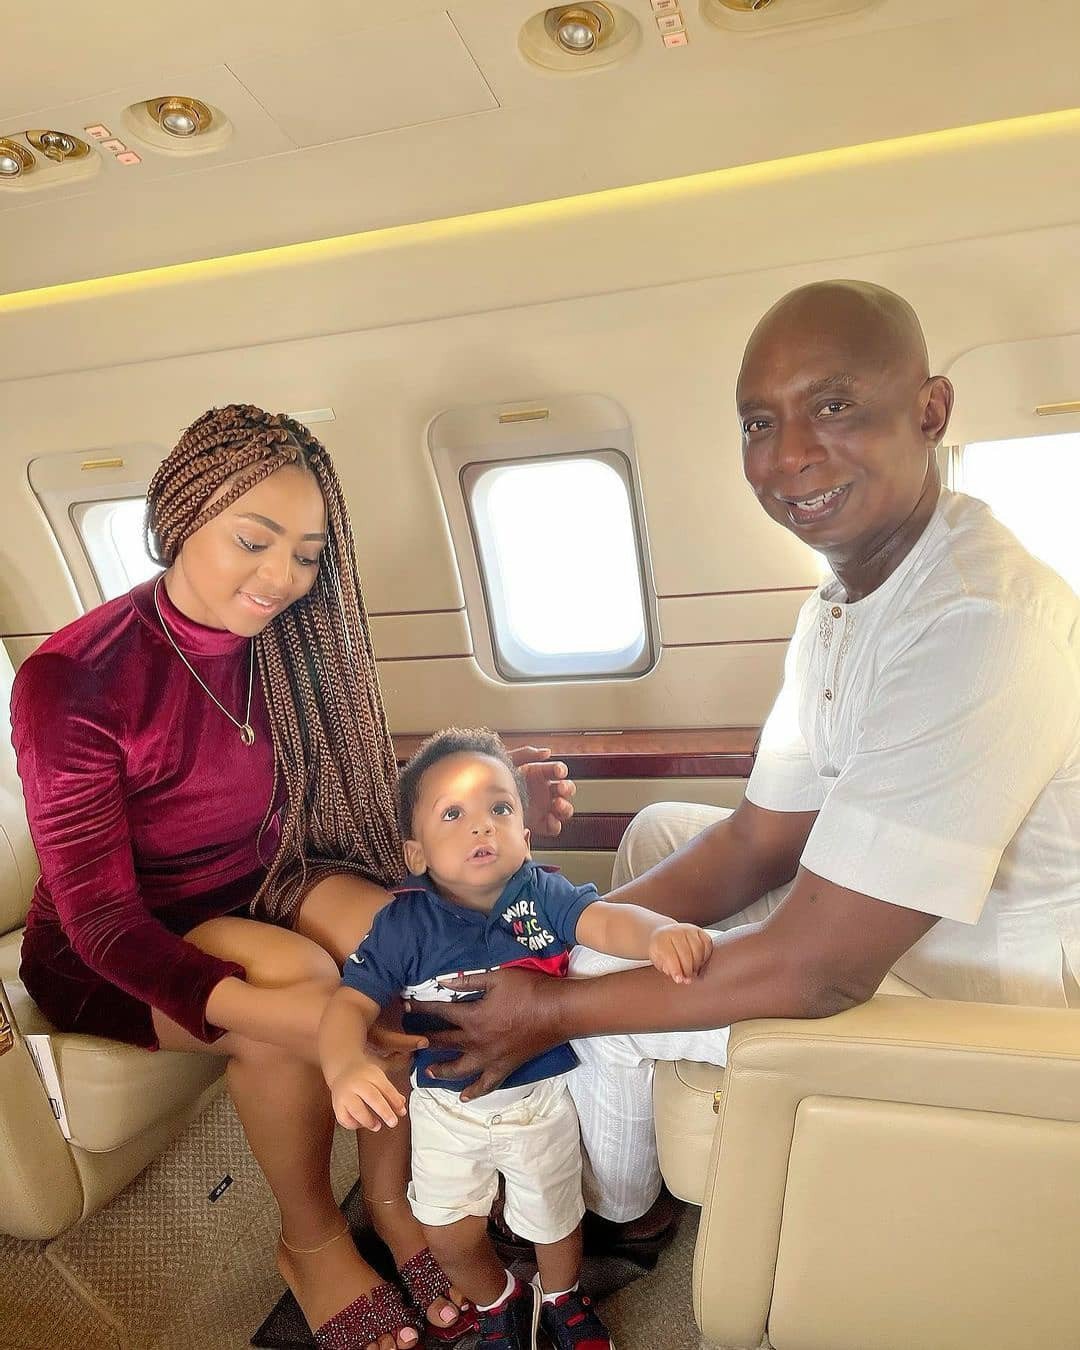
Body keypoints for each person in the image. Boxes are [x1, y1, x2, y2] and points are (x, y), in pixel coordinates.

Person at [410, 279, 1080, 1229]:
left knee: (599, 998)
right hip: (905, 925)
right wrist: (555, 938)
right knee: (656, 837)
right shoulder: (846, 601)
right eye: (760, 423)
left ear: (931, 411)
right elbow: (758, 841)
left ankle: (611, 1215)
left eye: (834, 406)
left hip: (981, 1004)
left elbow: (820, 971)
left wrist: (550, 1005)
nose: (790, 455)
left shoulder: (978, 621)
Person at [9, 405, 576, 1350]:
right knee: (307, 993)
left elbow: (339, 785)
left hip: (262, 878)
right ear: (183, 513)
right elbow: (102, 922)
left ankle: (392, 1202)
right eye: (253, 541)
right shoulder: (73, 680)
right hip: (112, 943)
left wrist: (492, 799)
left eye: (307, 554)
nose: (282, 578)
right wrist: (322, 1027)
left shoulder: (288, 642)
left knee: (410, 939)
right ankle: (311, 1243)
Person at [319, 728, 714, 1350]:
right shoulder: (401, 924)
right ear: (417, 853)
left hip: (539, 1101)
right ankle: (498, 1298)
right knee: (446, 1232)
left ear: (525, 837)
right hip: (448, 1108)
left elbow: (603, 920)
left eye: (500, 808)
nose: (482, 825)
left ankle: (562, 1297)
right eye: (453, 814)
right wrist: (344, 1063)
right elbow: (349, 1001)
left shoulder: (539, 893)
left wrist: (656, 934)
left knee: (556, 1223)